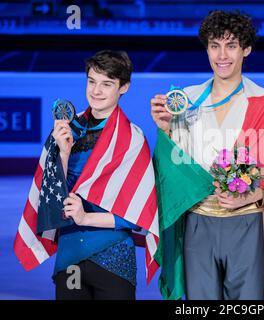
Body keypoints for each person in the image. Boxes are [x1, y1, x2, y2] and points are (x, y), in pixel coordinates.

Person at [151, 10, 264, 300]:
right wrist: (165, 131)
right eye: (214, 45)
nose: (222, 55)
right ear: (206, 49)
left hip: (246, 221)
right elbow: (171, 170)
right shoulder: (185, 100)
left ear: (246, 49)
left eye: (231, 45)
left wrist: (254, 196)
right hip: (197, 221)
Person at [14, 50, 159, 300]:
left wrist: (85, 217)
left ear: (124, 87)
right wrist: (63, 153)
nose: (96, 91)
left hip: (114, 259)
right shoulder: (65, 132)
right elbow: (50, 202)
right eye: (92, 81)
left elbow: (138, 217)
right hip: (70, 256)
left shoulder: (133, 140)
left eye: (107, 84)